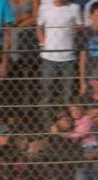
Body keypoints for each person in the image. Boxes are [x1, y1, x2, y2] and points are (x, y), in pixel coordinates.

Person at [36, 0, 84, 130]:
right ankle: (49, 127)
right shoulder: (44, 8)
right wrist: (44, 44)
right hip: (49, 59)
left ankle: (69, 126)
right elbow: (38, 27)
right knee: (47, 95)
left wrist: (71, 43)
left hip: (68, 58)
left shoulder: (74, 8)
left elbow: (78, 27)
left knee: (68, 96)